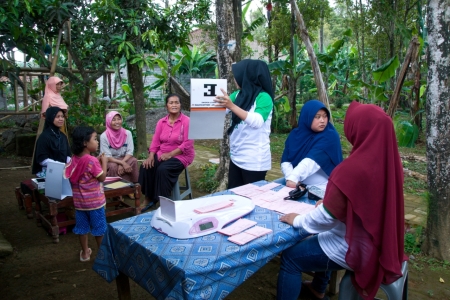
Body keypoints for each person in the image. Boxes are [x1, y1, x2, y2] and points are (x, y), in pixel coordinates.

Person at [277, 101, 407, 300]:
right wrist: (333, 205)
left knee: (290, 258)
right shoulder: (390, 164)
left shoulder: (351, 170)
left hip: (355, 246)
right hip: (381, 241)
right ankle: (318, 288)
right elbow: (364, 203)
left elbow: (323, 220)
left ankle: (312, 290)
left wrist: (296, 219)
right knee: (320, 237)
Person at [214, 59, 274, 189]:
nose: (235, 79)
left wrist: (231, 106)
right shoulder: (238, 95)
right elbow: (222, 109)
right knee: (235, 197)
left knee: (252, 200)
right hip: (236, 157)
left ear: (247, 76)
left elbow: (257, 121)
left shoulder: (264, 97)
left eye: (238, 76)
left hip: (254, 160)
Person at [138, 94, 195, 209]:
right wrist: (151, 156)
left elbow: (188, 143)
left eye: (176, 102)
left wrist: (170, 154)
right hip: (162, 153)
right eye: (171, 103)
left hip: (182, 156)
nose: (174, 105)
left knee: (162, 169)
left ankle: (163, 202)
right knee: (146, 166)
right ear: (166, 106)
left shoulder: (187, 121)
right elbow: (155, 141)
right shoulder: (161, 122)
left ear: (180, 105)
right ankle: (149, 197)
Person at [64, 126, 108, 262]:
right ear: (85, 143)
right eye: (95, 139)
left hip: (80, 204)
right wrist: (104, 163)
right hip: (95, 204)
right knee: (99, 229)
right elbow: (102, 178)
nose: (97, 142)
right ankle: (103, 255)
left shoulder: (73, 159)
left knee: (82, 229)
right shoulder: (92, 161)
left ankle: (85, 253)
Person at [280, 100, 343, 191]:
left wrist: (293, 178)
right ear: (307, 117)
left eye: (325, 116)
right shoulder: (295, 135)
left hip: (322, 188)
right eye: (317, 117)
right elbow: (286, 160)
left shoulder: (329, 136)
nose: (322, 120)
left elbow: (312, 160)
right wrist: (290, 178)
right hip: (297, 184)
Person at [100, 111, 139, 197]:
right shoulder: (104, 136)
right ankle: (116, 192)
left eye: (119, 119)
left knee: (134, 161)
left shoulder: (127, 133)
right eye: (113, 120)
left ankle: (131, 187)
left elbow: (130, 152)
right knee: (113, 166)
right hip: (111, 160)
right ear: (109, 121)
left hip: (124, 158)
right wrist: (121, 163)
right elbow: (107, 156)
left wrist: (123, 162)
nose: (117, 122)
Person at [32, 106, 71, 177]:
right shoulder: (44, 137)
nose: (61, 119)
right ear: (50, 118)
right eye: (57, 116)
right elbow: (42, 160)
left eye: (62, 116)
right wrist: (61, 165)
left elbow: (67, 155)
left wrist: (70, 164)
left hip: (64, 169)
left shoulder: (63, 136)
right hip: (47, 171)